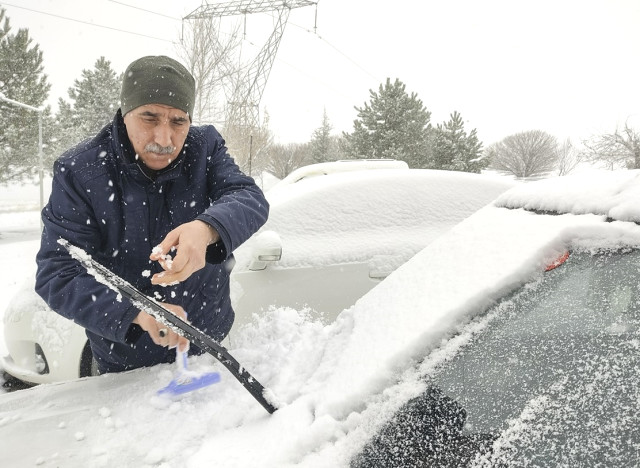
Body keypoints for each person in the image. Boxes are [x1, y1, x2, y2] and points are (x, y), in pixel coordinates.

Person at [35, 55, 269, 374]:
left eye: (178, 122)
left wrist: (207, 229)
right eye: (149, 118)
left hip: (208, 348)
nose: (164, 139)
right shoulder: (81, 172)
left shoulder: (204, 148)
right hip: (126, 362)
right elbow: (57, 273)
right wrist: (136, 313)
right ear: (125, 112)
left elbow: (249, 197)